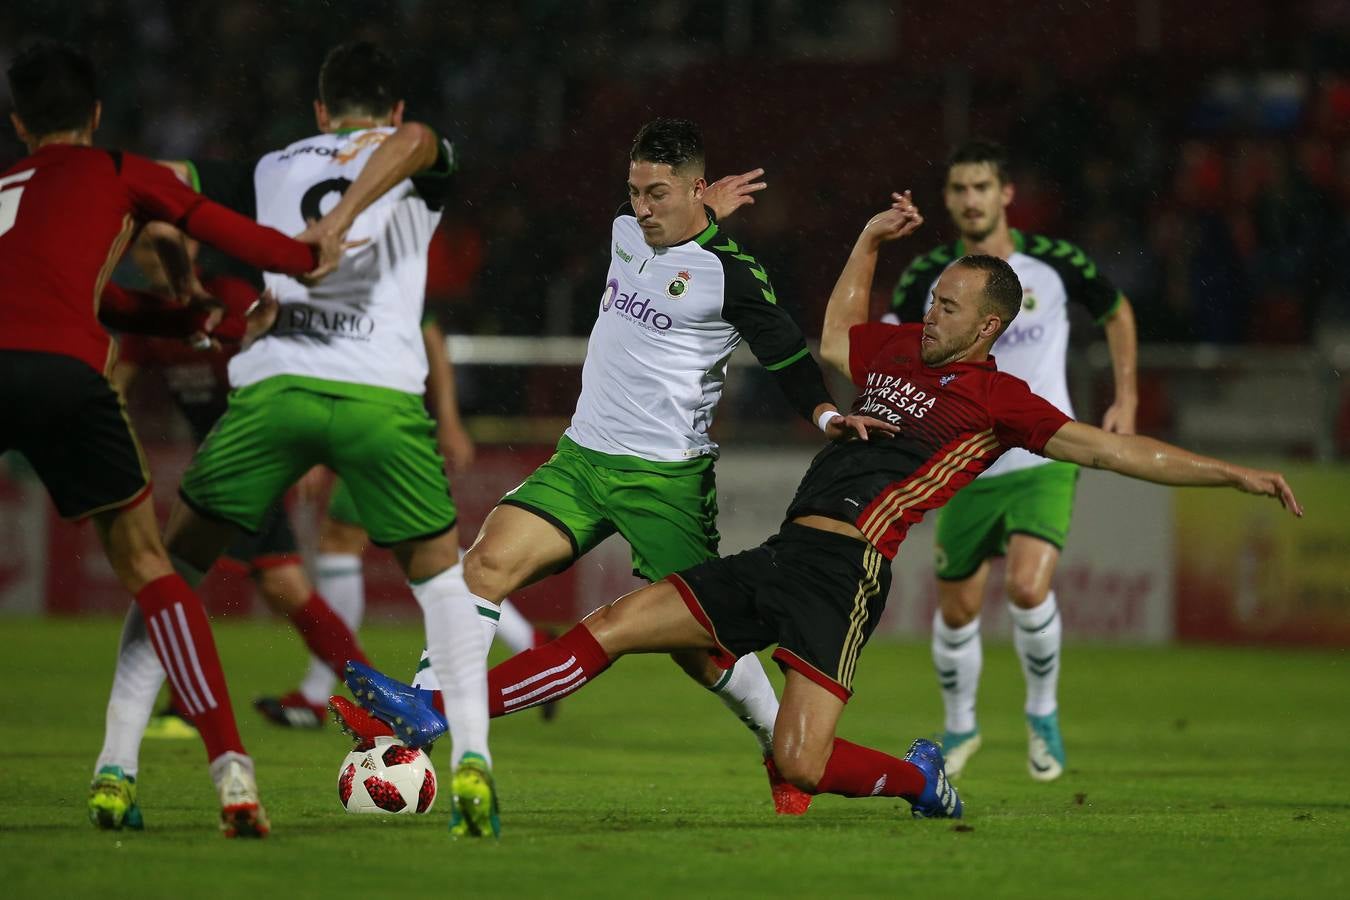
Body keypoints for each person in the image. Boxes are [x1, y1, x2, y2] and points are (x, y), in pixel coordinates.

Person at [338, 193, 1300, 821]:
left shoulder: (1007, 403)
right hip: (782, 550)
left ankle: (920, 777)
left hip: (849, 574)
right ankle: (434, 712)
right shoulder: (895, 354)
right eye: (933, 302)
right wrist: (869, 241)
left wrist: (1234, 473)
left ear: (992, 326)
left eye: (951, 309)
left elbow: (1120, 449)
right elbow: (839, 328)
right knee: (616, 624)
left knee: (798, 767)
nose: (932, 315)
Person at [358, 118, 843, 816]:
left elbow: (787, 353)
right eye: (634, 191)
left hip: (665, 481)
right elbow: (660, 222)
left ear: (696, 190)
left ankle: (780, 748)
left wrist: (827, 417)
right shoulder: (626, 233)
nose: (642, 208)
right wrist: (694, 209)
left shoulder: (730, 274)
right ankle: (424, 730)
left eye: (658, 194)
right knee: (483, 566)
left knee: (700, 647)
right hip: (582, 459)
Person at [94, 40, 500, 838]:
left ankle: (116, 766)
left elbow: (164, 182)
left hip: (276, 389)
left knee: (165, 571)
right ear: (387, 110)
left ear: (319, 111)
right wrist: (347, 220)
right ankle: (473, 763)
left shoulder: (273, 162)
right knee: (442, 583)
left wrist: (178, 276)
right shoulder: (412, 154)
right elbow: (420, 142)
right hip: (379, 397)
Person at [0, 42, 345, 838]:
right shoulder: (118, 168)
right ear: (93, 116)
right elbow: (218, 225)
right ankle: (232, 774)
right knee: (152, 568)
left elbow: (76, 291)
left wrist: (191, 319)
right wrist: (303, 256)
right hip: (63, 371)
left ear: (19, 125)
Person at [886, 140, 1140, 781]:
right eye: (959, 189)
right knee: (957, 610)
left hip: (1043, 455)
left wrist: (1126, 397)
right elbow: (896, 352)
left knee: (1029, 588)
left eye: (981, 187)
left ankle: (1043, 715)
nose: (970, 199)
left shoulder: (1052, 263)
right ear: (948, 200)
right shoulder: (928, 280)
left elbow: (1116, 311)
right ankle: (962, 725)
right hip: (965, 461)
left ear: (1005, 195)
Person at [110, 231, 371, 732]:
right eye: (145, 247)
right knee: (282, 585)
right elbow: (117, 385)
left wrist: (309, 443)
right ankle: (380, 697)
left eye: (171, 245)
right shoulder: (148, 318)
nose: (158, 257)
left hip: (257, 449)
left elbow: (293, 356)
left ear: (194, 250)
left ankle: (181, 708)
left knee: (171, 573)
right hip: (224, 456)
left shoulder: (230, 297)